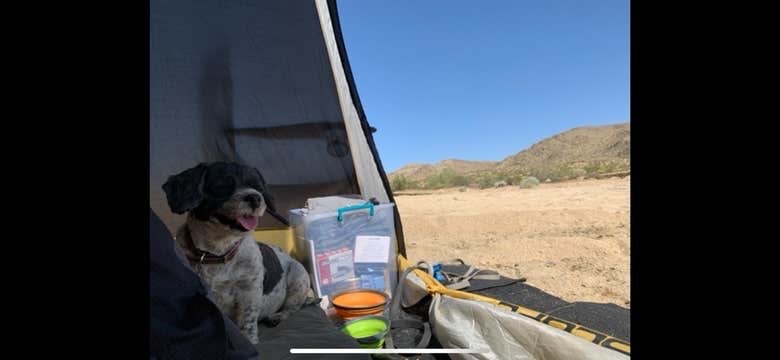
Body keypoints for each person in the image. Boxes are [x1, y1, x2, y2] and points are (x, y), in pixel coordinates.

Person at [150, 209, 369, 359]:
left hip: (274, 296)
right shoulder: (173, 251)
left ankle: (289, 309)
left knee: (298, 273)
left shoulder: (251, 256)